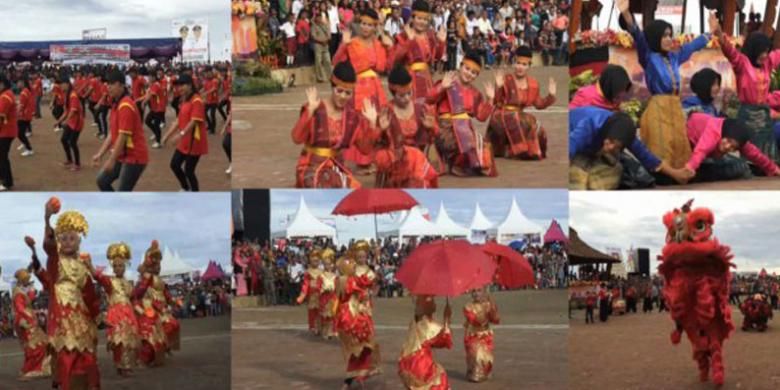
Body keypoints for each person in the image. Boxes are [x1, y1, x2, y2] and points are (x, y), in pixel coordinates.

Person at [617, 0, 717, 183]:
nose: (669, 39)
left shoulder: (674, 56)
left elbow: (693, 46)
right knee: (661, 148)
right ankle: (663, 177)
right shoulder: (648, 56)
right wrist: (626, 15)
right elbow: (638, 36)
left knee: (679, 148)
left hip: (675, 110)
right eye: (664, 36)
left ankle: (680, 176)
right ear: (655, 37)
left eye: (670, 35)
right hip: (658, 110)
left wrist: (710, 32)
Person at [32, 198, 101, 390]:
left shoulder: (82, 266)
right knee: (66, 353)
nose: (67, 241)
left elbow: (89, 294)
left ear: (79, 240)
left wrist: (96, 315)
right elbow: (49, 247)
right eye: (63, 238)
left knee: (87, 353)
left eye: (72, 238)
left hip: (81, 316)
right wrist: (47, 219)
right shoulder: (56, 261)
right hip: (61, 315)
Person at [291, 61, 377, 188]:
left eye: (348, 93)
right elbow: (296, 138)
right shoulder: (316, 108)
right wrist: (309, 111)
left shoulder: (352, 117)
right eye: (339, 91)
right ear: (332, 87)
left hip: (337, 167)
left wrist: (372, 123)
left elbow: (365, 149)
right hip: (310, 167)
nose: (343, 96)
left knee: (354, 192)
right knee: (324, 185)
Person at [333, 8, 393, 171]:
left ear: (375, 27)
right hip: (358, 86)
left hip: (374, 85)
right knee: (359, 121)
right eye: (363, 24)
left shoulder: (378, 45)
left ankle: (372, 157)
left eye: (369, 25)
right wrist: (343, 45)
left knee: (375, 120)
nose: (365, 27)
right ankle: (362, 160)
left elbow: (386, 66)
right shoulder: (351, 43)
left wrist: (389, 48)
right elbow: (336, 62)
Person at [427, 52, 496, 176]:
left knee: (484, 149)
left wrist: (490, 100)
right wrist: (442, 87)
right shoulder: (447, 83)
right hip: (445, 128)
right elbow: (429, 99)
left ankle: (456, 163)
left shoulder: (475, 93)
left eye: (473, 72)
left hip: (466, 130)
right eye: (467, 68)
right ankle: (455, 163)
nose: (469, 73)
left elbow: (481, 116)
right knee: (466, 146)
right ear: (460, 66)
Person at [716, 29, 780, 161]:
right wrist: (720, 35)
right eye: (762, 51)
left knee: (766, 147)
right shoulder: (742, 63)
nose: (764, 55)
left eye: (767, 51)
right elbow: (730, 51)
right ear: (753, 49)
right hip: (746, 113)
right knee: (749, 148)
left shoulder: (767, 63)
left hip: (763, 114)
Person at [373, 65, 439, 187]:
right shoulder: (386, 112)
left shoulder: (421, 109)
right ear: (393, 93)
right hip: (395, 162)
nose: (407, 98)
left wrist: (430, 128)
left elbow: (435, 136)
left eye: (409, 93)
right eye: (401, 96)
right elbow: (373, 145)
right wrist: (380, 130)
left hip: (417, 162)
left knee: (415, 159)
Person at [488, 46, 556, 159]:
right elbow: (496, 101)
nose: (520, 67)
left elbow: (539, 104)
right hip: (500, 115)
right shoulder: (506, 79)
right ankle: (519, 151)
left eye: (524, 64)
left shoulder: (533, 84)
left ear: (529, 66)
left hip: (519, 117)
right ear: (514, 63)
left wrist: (551, 96)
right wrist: (498, 87)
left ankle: (531, 151)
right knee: (517, 119)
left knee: (536, 125)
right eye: (518, 63)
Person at [86, 243, 140, 376]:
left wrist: (139, 310)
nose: (118, 268)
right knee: (118, 340)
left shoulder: (129, 284)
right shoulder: (110, 281)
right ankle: (120, 365)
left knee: (128, 339)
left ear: (125, 266)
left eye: (120, 265)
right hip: (116, 313)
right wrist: (90, 265)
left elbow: (134, 299)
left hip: (129, 313)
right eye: (115, 266)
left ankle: (126, 366)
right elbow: (97, 276)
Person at [93, 69, 149, 192]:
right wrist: (100, 154)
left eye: (112, 84)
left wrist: (111, 160)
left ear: (121, 85)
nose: (108, 87)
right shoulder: (116, 104)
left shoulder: (125, 105)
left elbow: (122, 137)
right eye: (108, 84)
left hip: (134, 157)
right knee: (102, 181)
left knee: (123, 192)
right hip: (123, 155)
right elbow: (112, 133)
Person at [684, 113, 780, 182]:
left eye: (733, 147)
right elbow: (700, 151)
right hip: (689, 140)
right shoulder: (713, 133)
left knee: (741, 166)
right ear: (724, 134)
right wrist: (689, 168)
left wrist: (774, 169)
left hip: (704, 153)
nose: (727, 147)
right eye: (728, 141)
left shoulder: (738, 139)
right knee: (737, 167)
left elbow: (756, 155)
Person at [335, 255, 381, 389]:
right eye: (353, 267)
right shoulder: (345, 281)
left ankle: (355, 377)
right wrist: (363, 294)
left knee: (361, 348)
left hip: (355, 317)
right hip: (353, 319)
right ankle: (354, 377)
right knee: (362, 347)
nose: (355, 269)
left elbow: (364, 284)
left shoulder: (349, 279)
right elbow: (353, 292)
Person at [162, 74, 208, 192]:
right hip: (184, 141)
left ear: (190, 85)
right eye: (178, 86)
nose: (180, 88)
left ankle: (195, 194)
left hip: (194, 141)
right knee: (174, 165)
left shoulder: (196, 100)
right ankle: (186, 187)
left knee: (189, 170)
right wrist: (167, 136)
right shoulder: (184, 100)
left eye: (182, 85)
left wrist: (180, 135)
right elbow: (178, 120)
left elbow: (194, 121)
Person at [397, 295, 452, 389]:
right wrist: (447, 319)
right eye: (432, 301)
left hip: (407, 361)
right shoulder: (428, 325)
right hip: (421, 363)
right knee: (439, 379)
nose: (435, 304)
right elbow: (444, 340)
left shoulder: (414, 322)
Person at [132, 241, 168, 367]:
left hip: (155, 310)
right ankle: (143, 359)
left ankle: (156, 356)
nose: (156, 267)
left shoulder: (157, 280)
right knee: (147, 334)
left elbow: (164, 295)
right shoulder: (145, 279)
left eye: (158, 265)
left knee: (159, 333)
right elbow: (136, 294)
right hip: (144, 310)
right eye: (154, 264)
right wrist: (139, 309)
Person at [12, 268, 51, 381]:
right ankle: (34, 369)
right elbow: (20, 308)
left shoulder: (21, 291)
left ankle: (29, 368)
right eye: (26, 279)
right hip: (25, 321)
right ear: (21, 280)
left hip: (27, 319)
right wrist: (29, 317)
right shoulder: (18, 292)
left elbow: (28, 302)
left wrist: (32, 292)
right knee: (36, 345)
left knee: (37, 344)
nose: (28, 281)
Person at [463, 287, 499, 382]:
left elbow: (496, 320)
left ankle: (484, 372)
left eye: (479, 291)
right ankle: (474, 373)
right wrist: (484, 310)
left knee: (487, 359)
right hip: (473, 335)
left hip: (486, 336)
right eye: (473, 291)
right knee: (476, 355)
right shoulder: (468, 306)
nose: (476, 293)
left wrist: (492, 308)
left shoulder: (488, 304)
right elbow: (475, 319)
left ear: (483, 292)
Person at [56, 75, 85, 172]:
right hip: (71, 122)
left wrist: (65, 121)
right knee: (64, 140)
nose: (61, 86)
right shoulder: (67, 95)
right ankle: (69, 159)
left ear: (67, 84)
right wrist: (59, 121)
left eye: (62, 84)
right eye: (60, 84)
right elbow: (66, 111)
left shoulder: (72, 95)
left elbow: (72, 111)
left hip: (77, 122)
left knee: (72, 142)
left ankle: (77, 164)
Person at [296, 250, 323, 335]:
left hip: (320, 295)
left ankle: (320, 327)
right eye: (314, 261)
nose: (315, 262)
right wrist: (302, 295)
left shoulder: (321, 272)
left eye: (317, 261)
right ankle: (313, 327)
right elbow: (305, 285)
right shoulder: (308, 272)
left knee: (320, 311)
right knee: (312, 312)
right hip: (311, 295)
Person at [139, 69, 166, 148]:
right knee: (148, 121)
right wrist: (139, 100)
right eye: (149, 77)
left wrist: (144, 102)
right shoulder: (152, 85)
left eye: (150, 77)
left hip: (159, 108)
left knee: (156, 124)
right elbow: (147, 95)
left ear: (154, 77)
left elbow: (150, 95)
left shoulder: (156, 85)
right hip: (155, 108)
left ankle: (158, 142)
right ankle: (156, 134)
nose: (149, 79)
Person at [0, 74, 18, 191]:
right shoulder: (6, 94)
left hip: (5, 131)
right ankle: (3, 178)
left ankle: (7, 182)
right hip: (7, 130)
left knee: (2, 156)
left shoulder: (5, 97)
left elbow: (1, 116)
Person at [318, 249, 339, 339]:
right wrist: (323, 289)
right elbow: (318, 286)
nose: (328, 266)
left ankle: (332, 331)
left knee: (333, 315)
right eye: (326, 264)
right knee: (325, 316)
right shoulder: (321, 275)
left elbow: (337, 286)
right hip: (324, 297)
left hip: (332, 297)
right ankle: (325, 331)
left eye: (329, 264)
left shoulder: (334, 275)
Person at [312, 8, 334, 83]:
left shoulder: (325, 25)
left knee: (328, 61)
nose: (319, 19)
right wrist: (322, 41)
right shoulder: (314, 26)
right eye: (317, 17)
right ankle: (320, 77)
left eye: (320, 17)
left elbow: (329, 35)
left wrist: (326, 40)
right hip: (318, 45)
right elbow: (313, 36)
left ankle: (331, 76)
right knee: (318, 61)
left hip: (325, 45)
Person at [16, 76, 35, 156]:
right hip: (27, 115)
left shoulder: (24, 92)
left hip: (24, 116)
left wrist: (15, 114)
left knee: (19, 133)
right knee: (21, 133)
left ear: (22, 83)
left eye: (18, 82)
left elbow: (21, 106)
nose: (17, 84)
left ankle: (29, 149)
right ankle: (25, 144)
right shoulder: (26, 91)